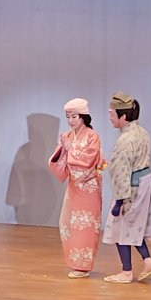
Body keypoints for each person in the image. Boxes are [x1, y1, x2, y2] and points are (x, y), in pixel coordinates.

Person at [101, 93, 151, 283]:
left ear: (123, 116)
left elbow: (121, 171)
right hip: (144, 181)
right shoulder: (142, 132)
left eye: (112, 113)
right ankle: (147, 260)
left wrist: (120, 200)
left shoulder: (125, 140)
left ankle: (127, 271)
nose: (109, 117)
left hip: (132, 185)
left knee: (120, 226)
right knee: (132, 226)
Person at [48, 97, 104, 278]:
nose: (70, 120)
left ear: (83, 116)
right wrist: (64, 149)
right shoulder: (69, 136)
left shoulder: (92, 136)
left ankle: (83, 266)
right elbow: (59, 159)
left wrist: (69, 148)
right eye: (68, 117)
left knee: (85, 226)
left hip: (88, 188)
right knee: (67, 224)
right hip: (74, 187)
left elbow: (88, 161)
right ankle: (75, 263)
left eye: (74, 116)